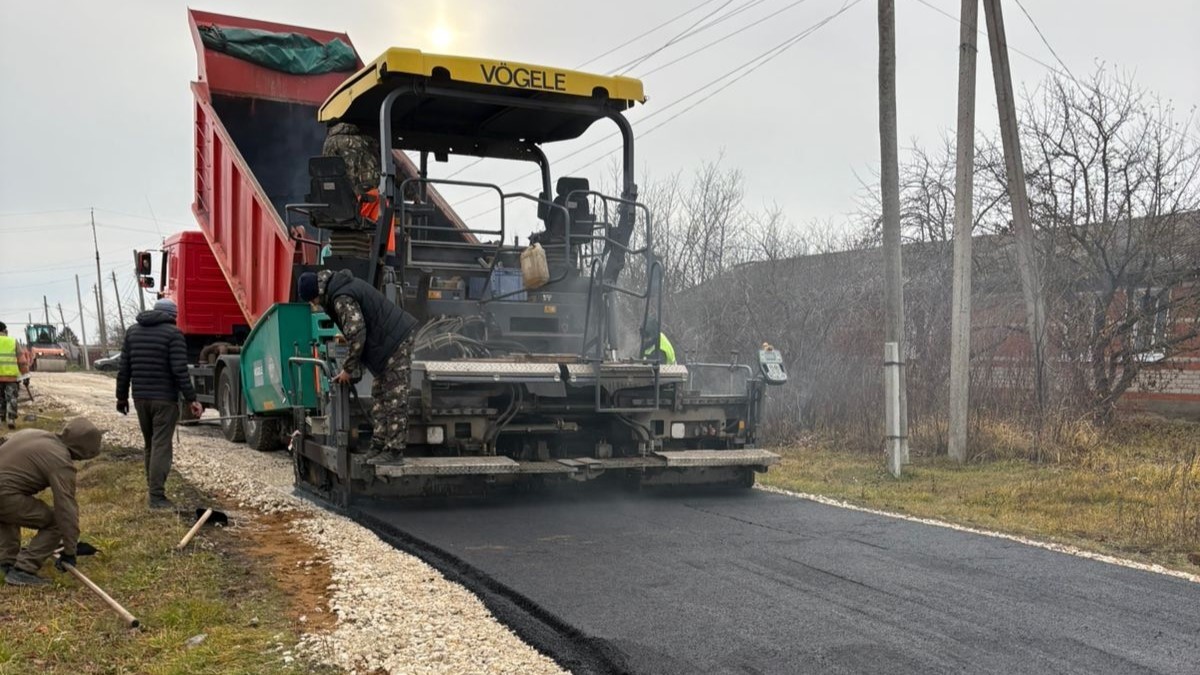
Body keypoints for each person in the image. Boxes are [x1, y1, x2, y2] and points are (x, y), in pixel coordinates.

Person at [297, 270, 418, 464]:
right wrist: (356, 370)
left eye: (312, 300)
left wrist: (347, 369)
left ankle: (395, 451)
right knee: (379, 395)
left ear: (316, 293)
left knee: (394, 398)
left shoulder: (341, 297)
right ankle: (379, 445)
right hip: (385, 345)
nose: (315, 304)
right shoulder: (339, 287)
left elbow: (357, 334)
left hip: (396, 342)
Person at [115, 299, 203, 509]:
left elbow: (124, 368)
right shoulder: (173, 334)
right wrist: (192, 399)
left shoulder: (132, 332)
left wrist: (121, 397)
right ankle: (156, 497)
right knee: (161, 446)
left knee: (150, 445)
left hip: (140, 399)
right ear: (173, 316)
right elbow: (180, 370)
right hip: (164, 400)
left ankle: (152, 490)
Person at [0, 417, 102, 586]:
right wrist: (70, 551)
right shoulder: (61, 461)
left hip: (5, 493)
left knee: (9, 514)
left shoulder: (36, 434)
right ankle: (24, 569)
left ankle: (5, 562)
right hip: (4, 495)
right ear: (84, 451)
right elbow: (66, 508)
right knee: (56, 522)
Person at [0, 322, 30, 430]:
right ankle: (11, 419)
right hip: (11, 377)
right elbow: (22, 361)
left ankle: (1, 418)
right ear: (5, 331)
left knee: (0, 399)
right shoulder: (12, 341)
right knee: (11, 397)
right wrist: (25, 376)